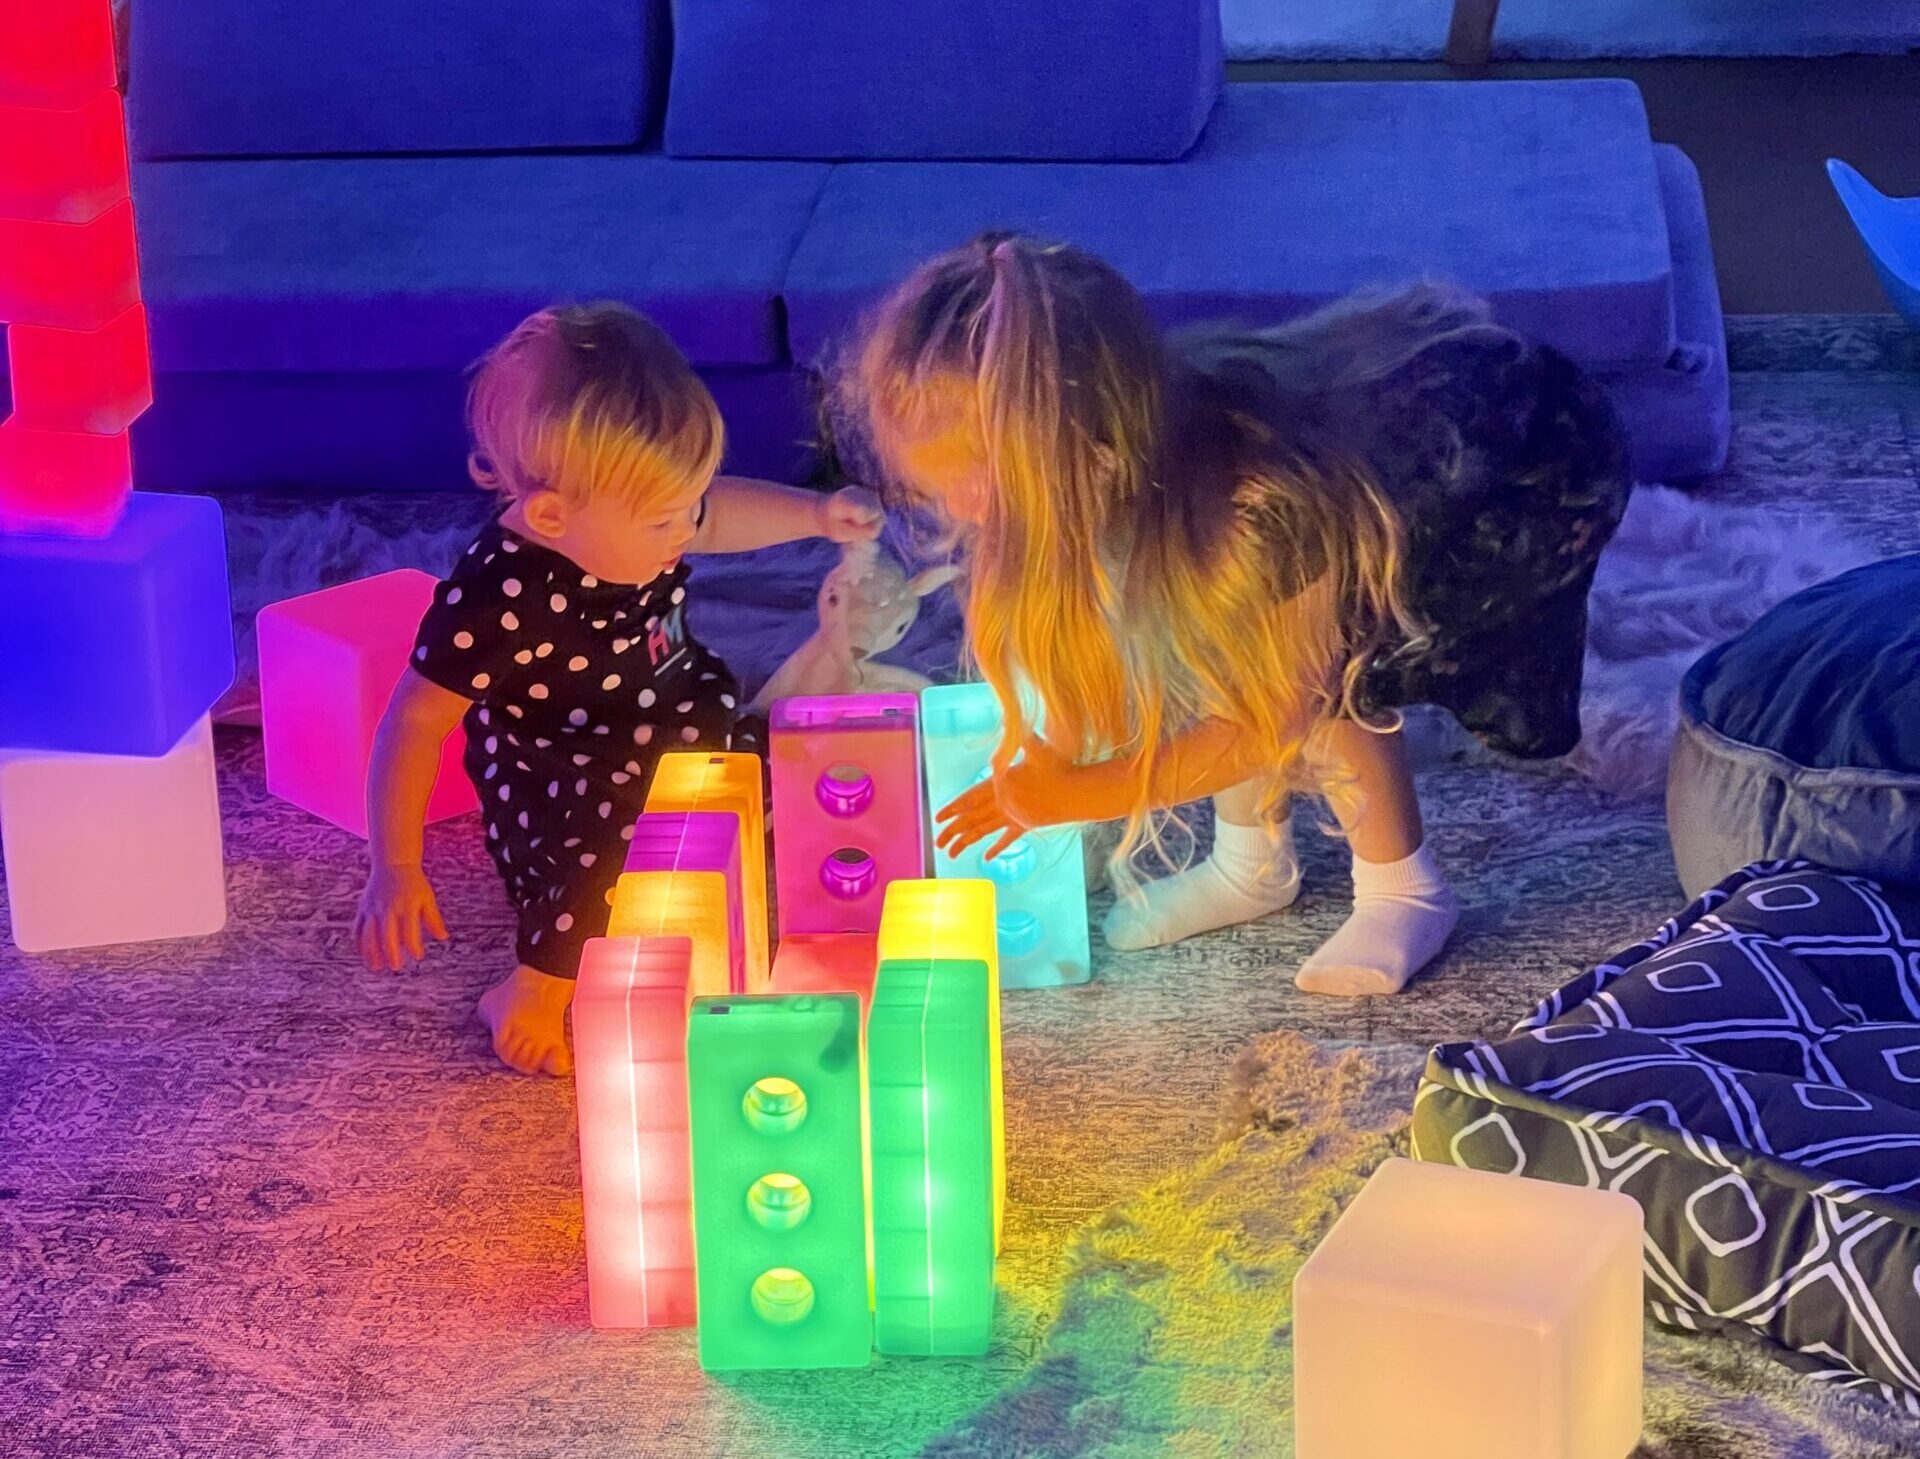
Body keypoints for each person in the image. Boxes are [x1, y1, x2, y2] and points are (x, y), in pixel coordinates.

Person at [845, 235, 1629, 996]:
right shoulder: (1126, 465)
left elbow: (1268, 721)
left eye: (976, 483)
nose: (961, 512)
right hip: (1377, 444)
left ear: (1083, 446)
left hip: (1525, 459)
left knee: (1330, 680)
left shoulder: (1258, 510)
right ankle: (1252, 863)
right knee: (1214, 640)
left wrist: (1079, 794)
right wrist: (1049, 756)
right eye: (937, 488)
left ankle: (1403, 889)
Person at [355, 302, 881, 1073]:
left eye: (686, 504)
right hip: (567, 775)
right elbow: (413, 723)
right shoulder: (496, 599)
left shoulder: (633, 510)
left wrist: (816, 514)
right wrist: (396, 866)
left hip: (678, 714)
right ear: (551, 514)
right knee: (607, 861)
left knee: (775, 774)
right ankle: (532, 987)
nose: (686, 531)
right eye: (668, 519)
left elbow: (716, 513)